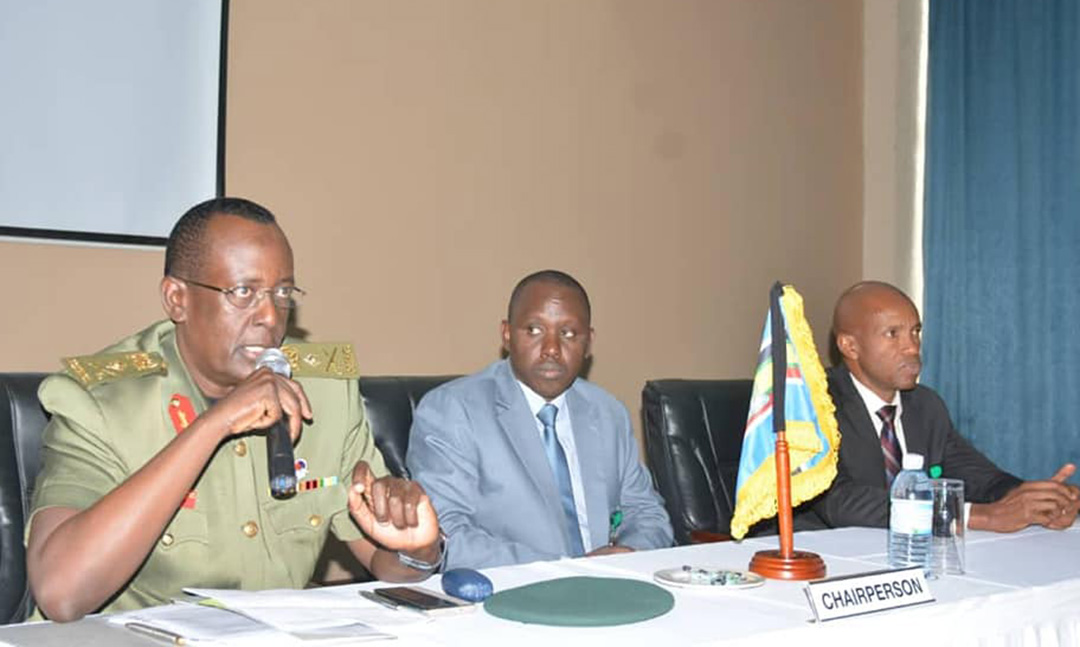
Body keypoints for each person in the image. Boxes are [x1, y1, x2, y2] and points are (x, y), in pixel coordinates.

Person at [26, 198, 442, 622]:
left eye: (282, 293)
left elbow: (386, 564)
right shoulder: (99, 402)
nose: (269, 317)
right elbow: (62, 594)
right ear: (177, 299)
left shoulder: (325, 392)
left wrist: (417, 549)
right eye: (243, 292)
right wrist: (215, 424)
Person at [406, 270, 673, 569]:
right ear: (507, 334)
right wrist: (567, 570)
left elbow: (648, 515)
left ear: (589, 342)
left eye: (568, 334)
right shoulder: (452, 411)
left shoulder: (607, 412)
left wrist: (630, 552)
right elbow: (447, 537)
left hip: (609, 588)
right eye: (534, 330)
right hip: (507, 594)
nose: (551, 350)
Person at [815, 280, 1079, 532]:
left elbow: (978, 476)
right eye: (892, 334)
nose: (912, 347)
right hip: (828, 558)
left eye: (915, 331)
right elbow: (837, 501)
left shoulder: (925, 405)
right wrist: (977, 516)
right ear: (850, 346)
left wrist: (1037, 500)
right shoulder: (813, 406)